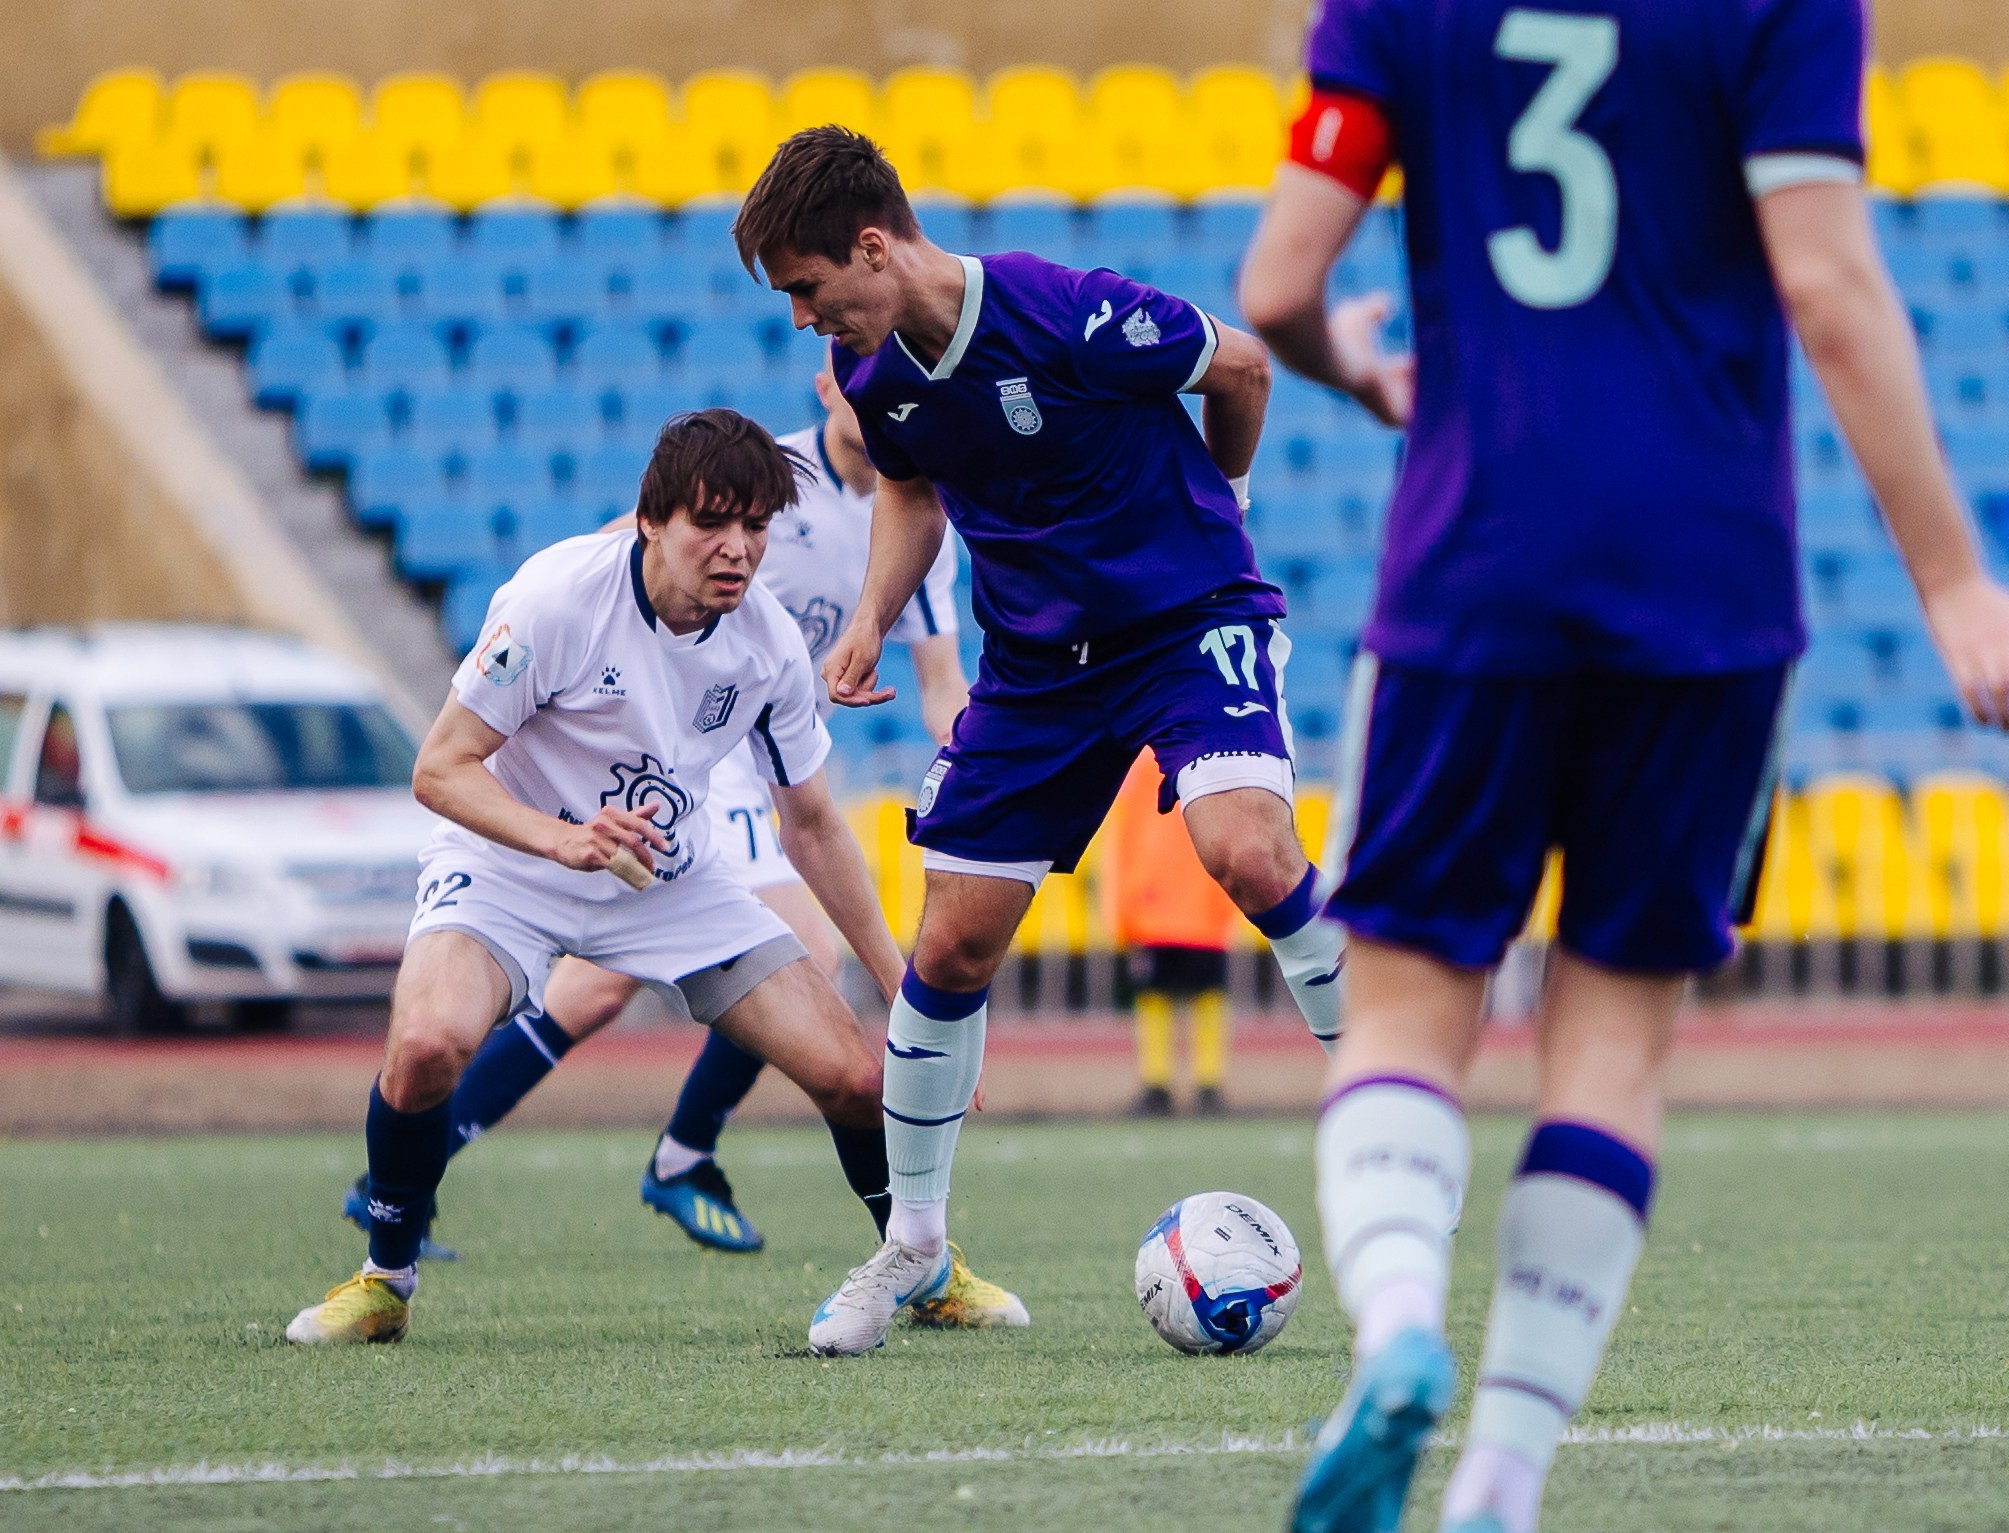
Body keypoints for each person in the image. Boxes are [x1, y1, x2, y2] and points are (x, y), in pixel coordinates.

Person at [1236, 2, 2009, 1529]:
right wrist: (1952, 579)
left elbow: (1279, 281)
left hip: (1472, 569)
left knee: (1410, 1008)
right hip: (1707, 590)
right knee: (1612, 1043)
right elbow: (1824, 285)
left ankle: (1398, 1329)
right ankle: (1499, 1476)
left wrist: (1359, 376)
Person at [731, 125, 1349, 1357]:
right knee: (948, 941)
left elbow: (1241, 370)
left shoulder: (1067, 313)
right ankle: (912, 1244)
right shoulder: (874, 380)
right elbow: (911, 491)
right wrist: (867, 622)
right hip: (1034, 671)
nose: (804, 320)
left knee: (1246, 852)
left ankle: (1396, 1123)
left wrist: (1215, 507)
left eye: (808, 288)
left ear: (871, 246)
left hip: (1185, 626)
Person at [286, 409, 1015, 1345]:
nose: (737, 549)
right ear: (649, 521)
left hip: (670, 877)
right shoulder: (554, 598)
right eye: (712, 522)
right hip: (510, 863)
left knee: (854, 1075)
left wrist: (902, 986)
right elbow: (440, 768)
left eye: (754, 526)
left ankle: (927, 1271)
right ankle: (385, 1279)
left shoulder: (767, 644)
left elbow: (814, 826)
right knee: (425, 1045)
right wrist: (560, 841)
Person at [1103, 749, 1237, 1116]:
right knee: (1192, 993)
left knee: (1163, 994)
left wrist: (1123, 907)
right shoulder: (1210, 751)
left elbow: (1125, 837)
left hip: (1165, 901)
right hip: (1183, 900)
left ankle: (1162, 1085)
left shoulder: (1142, 759)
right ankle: (1199, 1085)